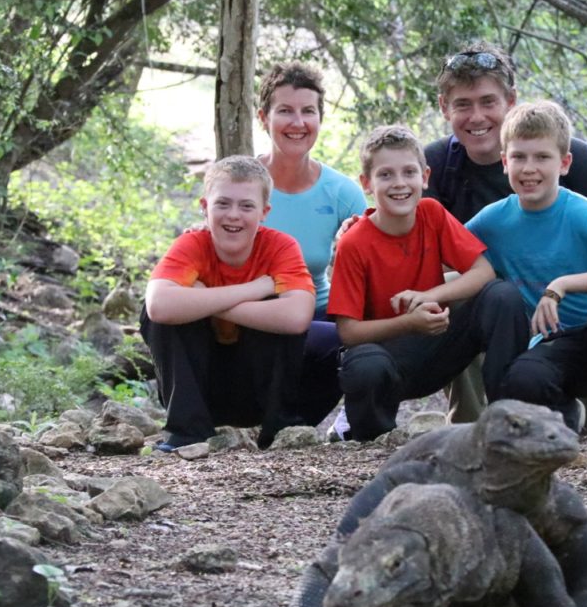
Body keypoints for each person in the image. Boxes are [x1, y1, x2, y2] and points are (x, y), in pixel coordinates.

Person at [426, 41, 587, 423]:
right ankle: (478, 428)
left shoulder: (552, 147)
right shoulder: (435, 166)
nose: (476, 116)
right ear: (445, 108)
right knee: (478, 296)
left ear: (511, 101)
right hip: (523, 331)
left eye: (488, 101)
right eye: (463, 104)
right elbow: (415, 252)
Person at [327, 125, 528, 441]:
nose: (399, 184)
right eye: (386, 175)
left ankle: (511, 417)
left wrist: (430, 295)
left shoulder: (432, 214)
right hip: (385, 357)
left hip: (436, 348)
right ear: (367, 183)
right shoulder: (353, 243)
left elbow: (483, 271)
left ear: (425, 176)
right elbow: (348, 331)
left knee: (502, 295)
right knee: (364, 366)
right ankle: (371, 438)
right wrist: (409, 322)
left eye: (409, 172)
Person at [466, 100, 587, 432]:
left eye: (542, 157)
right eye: (519, 157)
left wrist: (561, 284)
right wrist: (365, 226)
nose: (529, 168)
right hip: (560, 344)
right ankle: (564, 421)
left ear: (564, 163)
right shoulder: (493, 220)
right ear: (504, 162)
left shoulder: (581, 211)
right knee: (522, 379)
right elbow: (440, 251)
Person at [140, 156, 316, 450]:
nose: (234, 215)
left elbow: (297, 316)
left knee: (277, 304)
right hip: (200, 387)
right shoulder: (192, 244)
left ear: (264, 212)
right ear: (205, 207)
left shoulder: (280, 246)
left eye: (246, 206)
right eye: (223, 204)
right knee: (160, 311)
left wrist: (205, 296)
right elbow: (158, 305)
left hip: (255, 388)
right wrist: (252, 288)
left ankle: (278, 431)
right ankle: (187, 433)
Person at [255, 62, 368, 426]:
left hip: (313, 314)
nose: (297, 123)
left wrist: (350, 244)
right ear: (263, 117)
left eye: (308, 112)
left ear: (321, 118)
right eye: (285, 111)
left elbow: (374, 254)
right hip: (247, 313)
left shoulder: (341, 191)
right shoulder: (241, 181)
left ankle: (298, 427)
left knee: (348, 341)